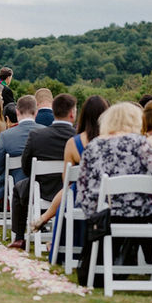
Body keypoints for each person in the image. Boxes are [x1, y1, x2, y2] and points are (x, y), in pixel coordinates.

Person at [76, 102, 152, 285]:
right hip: (137, 215)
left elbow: (82, 186)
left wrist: (92, 213)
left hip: (103, 216)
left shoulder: (94, 145)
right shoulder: (139, 143)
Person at [8, 93, 77, 249]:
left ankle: (19, 237)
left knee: (18, 188)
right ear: (72, 113)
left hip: (40, 190)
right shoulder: (77, 138)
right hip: (68, 193)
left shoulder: (37, 135)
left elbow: (26, 167)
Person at [32, 95, 110, 231]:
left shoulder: (74, 143)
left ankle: (45, 219)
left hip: (81, 203)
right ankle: (44, 218)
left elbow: (66, 182)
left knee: (71, 188)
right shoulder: (114, 141)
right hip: (109, 201)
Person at [0, 95, 44, 237]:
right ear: (36, 112)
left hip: (13, 186)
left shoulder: (6, 136)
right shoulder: (45, 132)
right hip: (42, 185)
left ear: (17, 112)